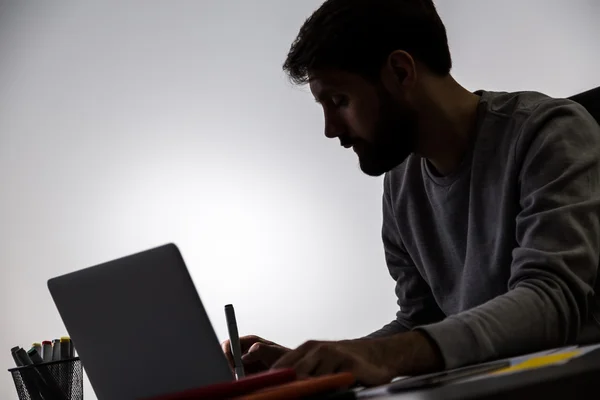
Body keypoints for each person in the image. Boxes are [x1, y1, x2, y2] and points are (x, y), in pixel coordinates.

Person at [222, 0, 600, 387]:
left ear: (401, 72)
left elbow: (552, 299)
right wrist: (308, 366)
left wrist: (385, 355)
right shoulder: (401, 180)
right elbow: (422, 322)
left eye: (339, 101)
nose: (330, 129)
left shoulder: (550, 134)